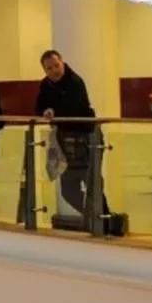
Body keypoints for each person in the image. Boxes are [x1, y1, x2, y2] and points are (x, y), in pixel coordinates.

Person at [34, 49, 106, 220]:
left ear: (62, 63)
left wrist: (53, 111)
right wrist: (46, 111)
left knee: (92, 182)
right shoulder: (45, 84)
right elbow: (38, 107)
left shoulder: (75, 81)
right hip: (65, 139)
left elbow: (71, 108)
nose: (53, 71)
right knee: (68, 189)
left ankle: (102, 220)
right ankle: (93, 217)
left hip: (86, 137)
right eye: (49, 68)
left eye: (56, 65)